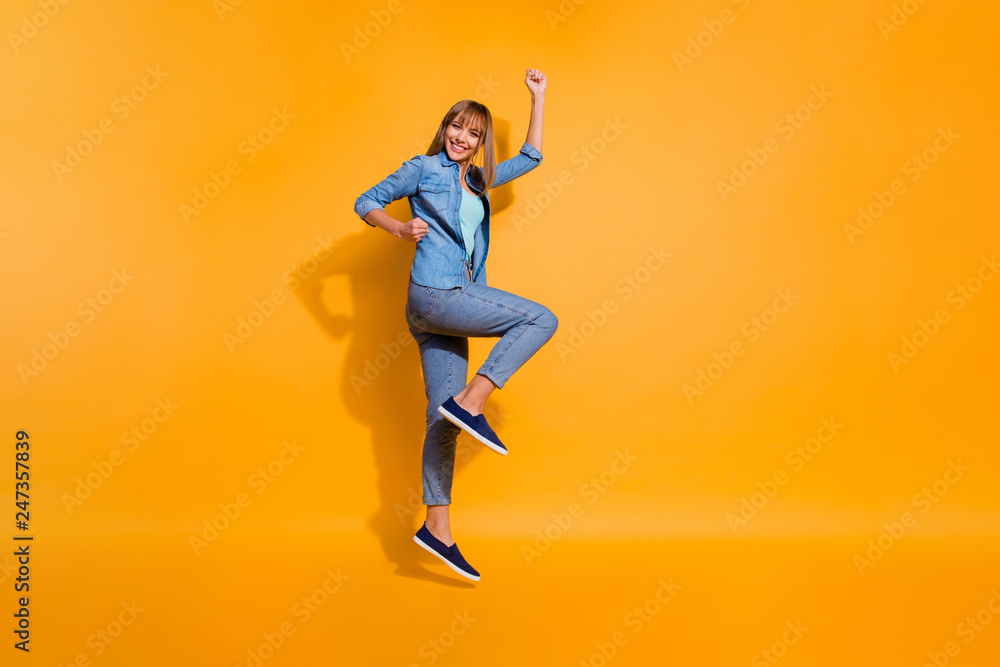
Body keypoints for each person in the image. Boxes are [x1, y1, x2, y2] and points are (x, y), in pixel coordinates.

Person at [353, 68, 557, 581]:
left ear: (480, 143)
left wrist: (538, 98)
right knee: (540, 318)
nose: (463, 139)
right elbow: (366, 201)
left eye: (474, 134)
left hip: (444, 307)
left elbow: (532, 157)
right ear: (445, 128)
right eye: (457, 128)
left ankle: (436, 529)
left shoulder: (479, 180)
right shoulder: (422, 169)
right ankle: (473, 402)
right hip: (436, 292)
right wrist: (399, 226)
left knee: (439, 418)